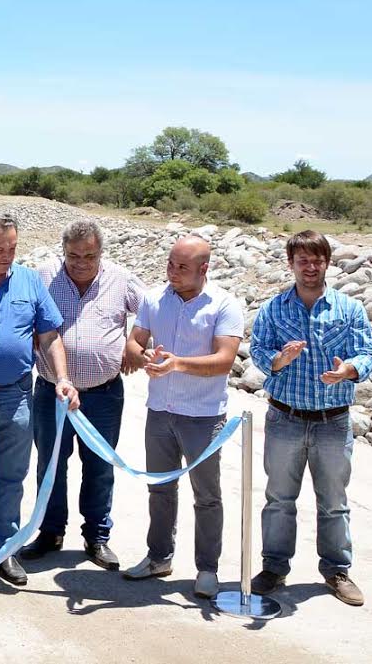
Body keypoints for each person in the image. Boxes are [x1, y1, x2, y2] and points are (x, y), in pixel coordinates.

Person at [249, 230, 372, 607]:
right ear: (291, 264)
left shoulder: (348, 309)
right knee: (278, 499)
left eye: (317, 259)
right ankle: (274, 567)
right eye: (302, 260)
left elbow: (366, 352)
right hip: (285, 418)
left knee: (334, 501)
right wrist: (277, 361)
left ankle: (336, 570)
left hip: (333, 422)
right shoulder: (274, 308)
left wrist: (349, 369)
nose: (310, 266)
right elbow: (256, 348)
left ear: (327, 263)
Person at [0, 211, 79, 587]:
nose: (7, 255)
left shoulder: (29, 281)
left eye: (12, 247)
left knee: (11, 477)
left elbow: (49, 335)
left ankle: (5, 550)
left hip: (16, 397)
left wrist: (62, 378)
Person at [122, 235, 243, 600]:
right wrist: (142, 357)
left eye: (182, 267)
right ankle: (159, 557)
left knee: (207, 496)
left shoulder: (224, 305)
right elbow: (134, 340)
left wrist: (177, 364)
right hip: (160, 413)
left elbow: (224, 361)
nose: (173, 273)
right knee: (159, 489)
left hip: (203, 418)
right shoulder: (154, 298)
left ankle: (208, 569)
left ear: (204, 269)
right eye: (171, 264)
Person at [21, 220, 145, 571]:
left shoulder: (121, 279)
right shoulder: (44, 276)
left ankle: (97, 537)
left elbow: (153, 309)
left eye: (89, 255)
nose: (80, 263)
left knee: (100, 466)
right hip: (51, 392)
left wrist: (137, 343)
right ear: (63, 252)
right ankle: (50, 532)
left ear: (100, 252)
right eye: (73, 256)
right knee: (50, 465)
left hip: (103, 395)